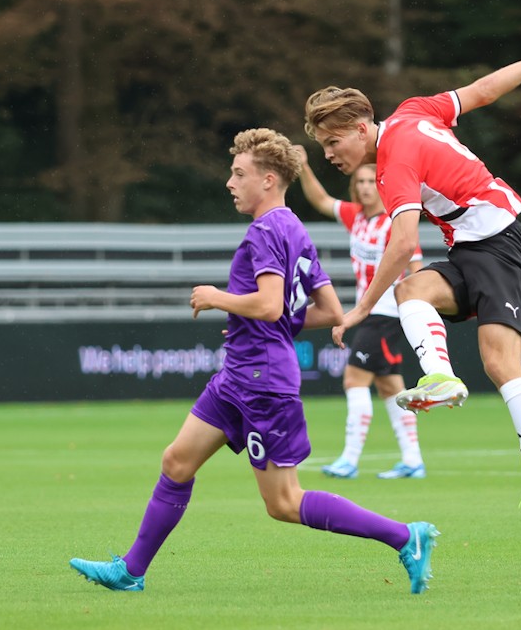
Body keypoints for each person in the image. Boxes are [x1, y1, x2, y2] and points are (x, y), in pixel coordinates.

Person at [69, 128, 439, 595]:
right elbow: (327, 311)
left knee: (284, 502)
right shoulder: (294, 229)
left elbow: (267, 305)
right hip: (239, 373)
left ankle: (407, 536)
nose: (230, 182)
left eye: (238, 173)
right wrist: (264, 324)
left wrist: (218, 298)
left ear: (268, 180)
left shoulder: (265, 231)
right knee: (177, 462)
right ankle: (131, 570)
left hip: (262, 382)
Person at [304, 48, 521, 540]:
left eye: (334, 142)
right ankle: (441, 377)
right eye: (323, 146)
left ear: (361, 127)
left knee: (500, 363)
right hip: (471, 250)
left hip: (502, 249)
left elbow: (402, 243)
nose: (330, 153)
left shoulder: (392, 163)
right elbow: (483, 91)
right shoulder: (413, 111)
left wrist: (358, 308)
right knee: (413, 290)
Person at [295, 147, 426, 480]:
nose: (366, 186)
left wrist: (413, 311)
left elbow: (416, 269)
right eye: (361, 181)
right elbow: (322, 201)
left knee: (353, 378)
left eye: (372, 180)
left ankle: (350, 459)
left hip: (387, 313)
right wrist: (305, 167)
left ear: (381, 185)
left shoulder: (396, 223)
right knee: (389, 387)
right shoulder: (357, 216)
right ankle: (413, 459)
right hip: (370, 314)